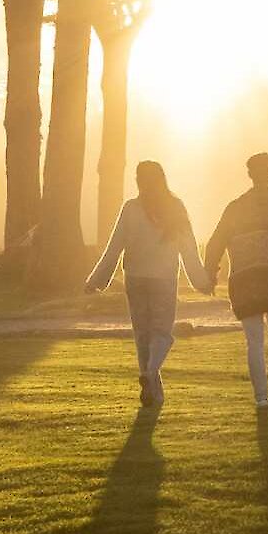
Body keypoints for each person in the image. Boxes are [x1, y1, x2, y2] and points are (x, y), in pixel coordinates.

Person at [87, 160, 212, 407]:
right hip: (164, 279)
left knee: (142, 335)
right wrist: (202, 282)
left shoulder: (131, 208)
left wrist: (96, 280)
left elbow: (115, 247)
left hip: (135, 278)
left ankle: (152, 390)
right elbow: (189, 250)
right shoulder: (175, 207)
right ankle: (150, 373)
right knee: (162, 333)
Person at [204, 152, 268, 408]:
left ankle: (260, 397)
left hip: (245, 277)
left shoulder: (235, 207)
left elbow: (215, 242)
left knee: (254, 339)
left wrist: (211, 272)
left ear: (249, 174)